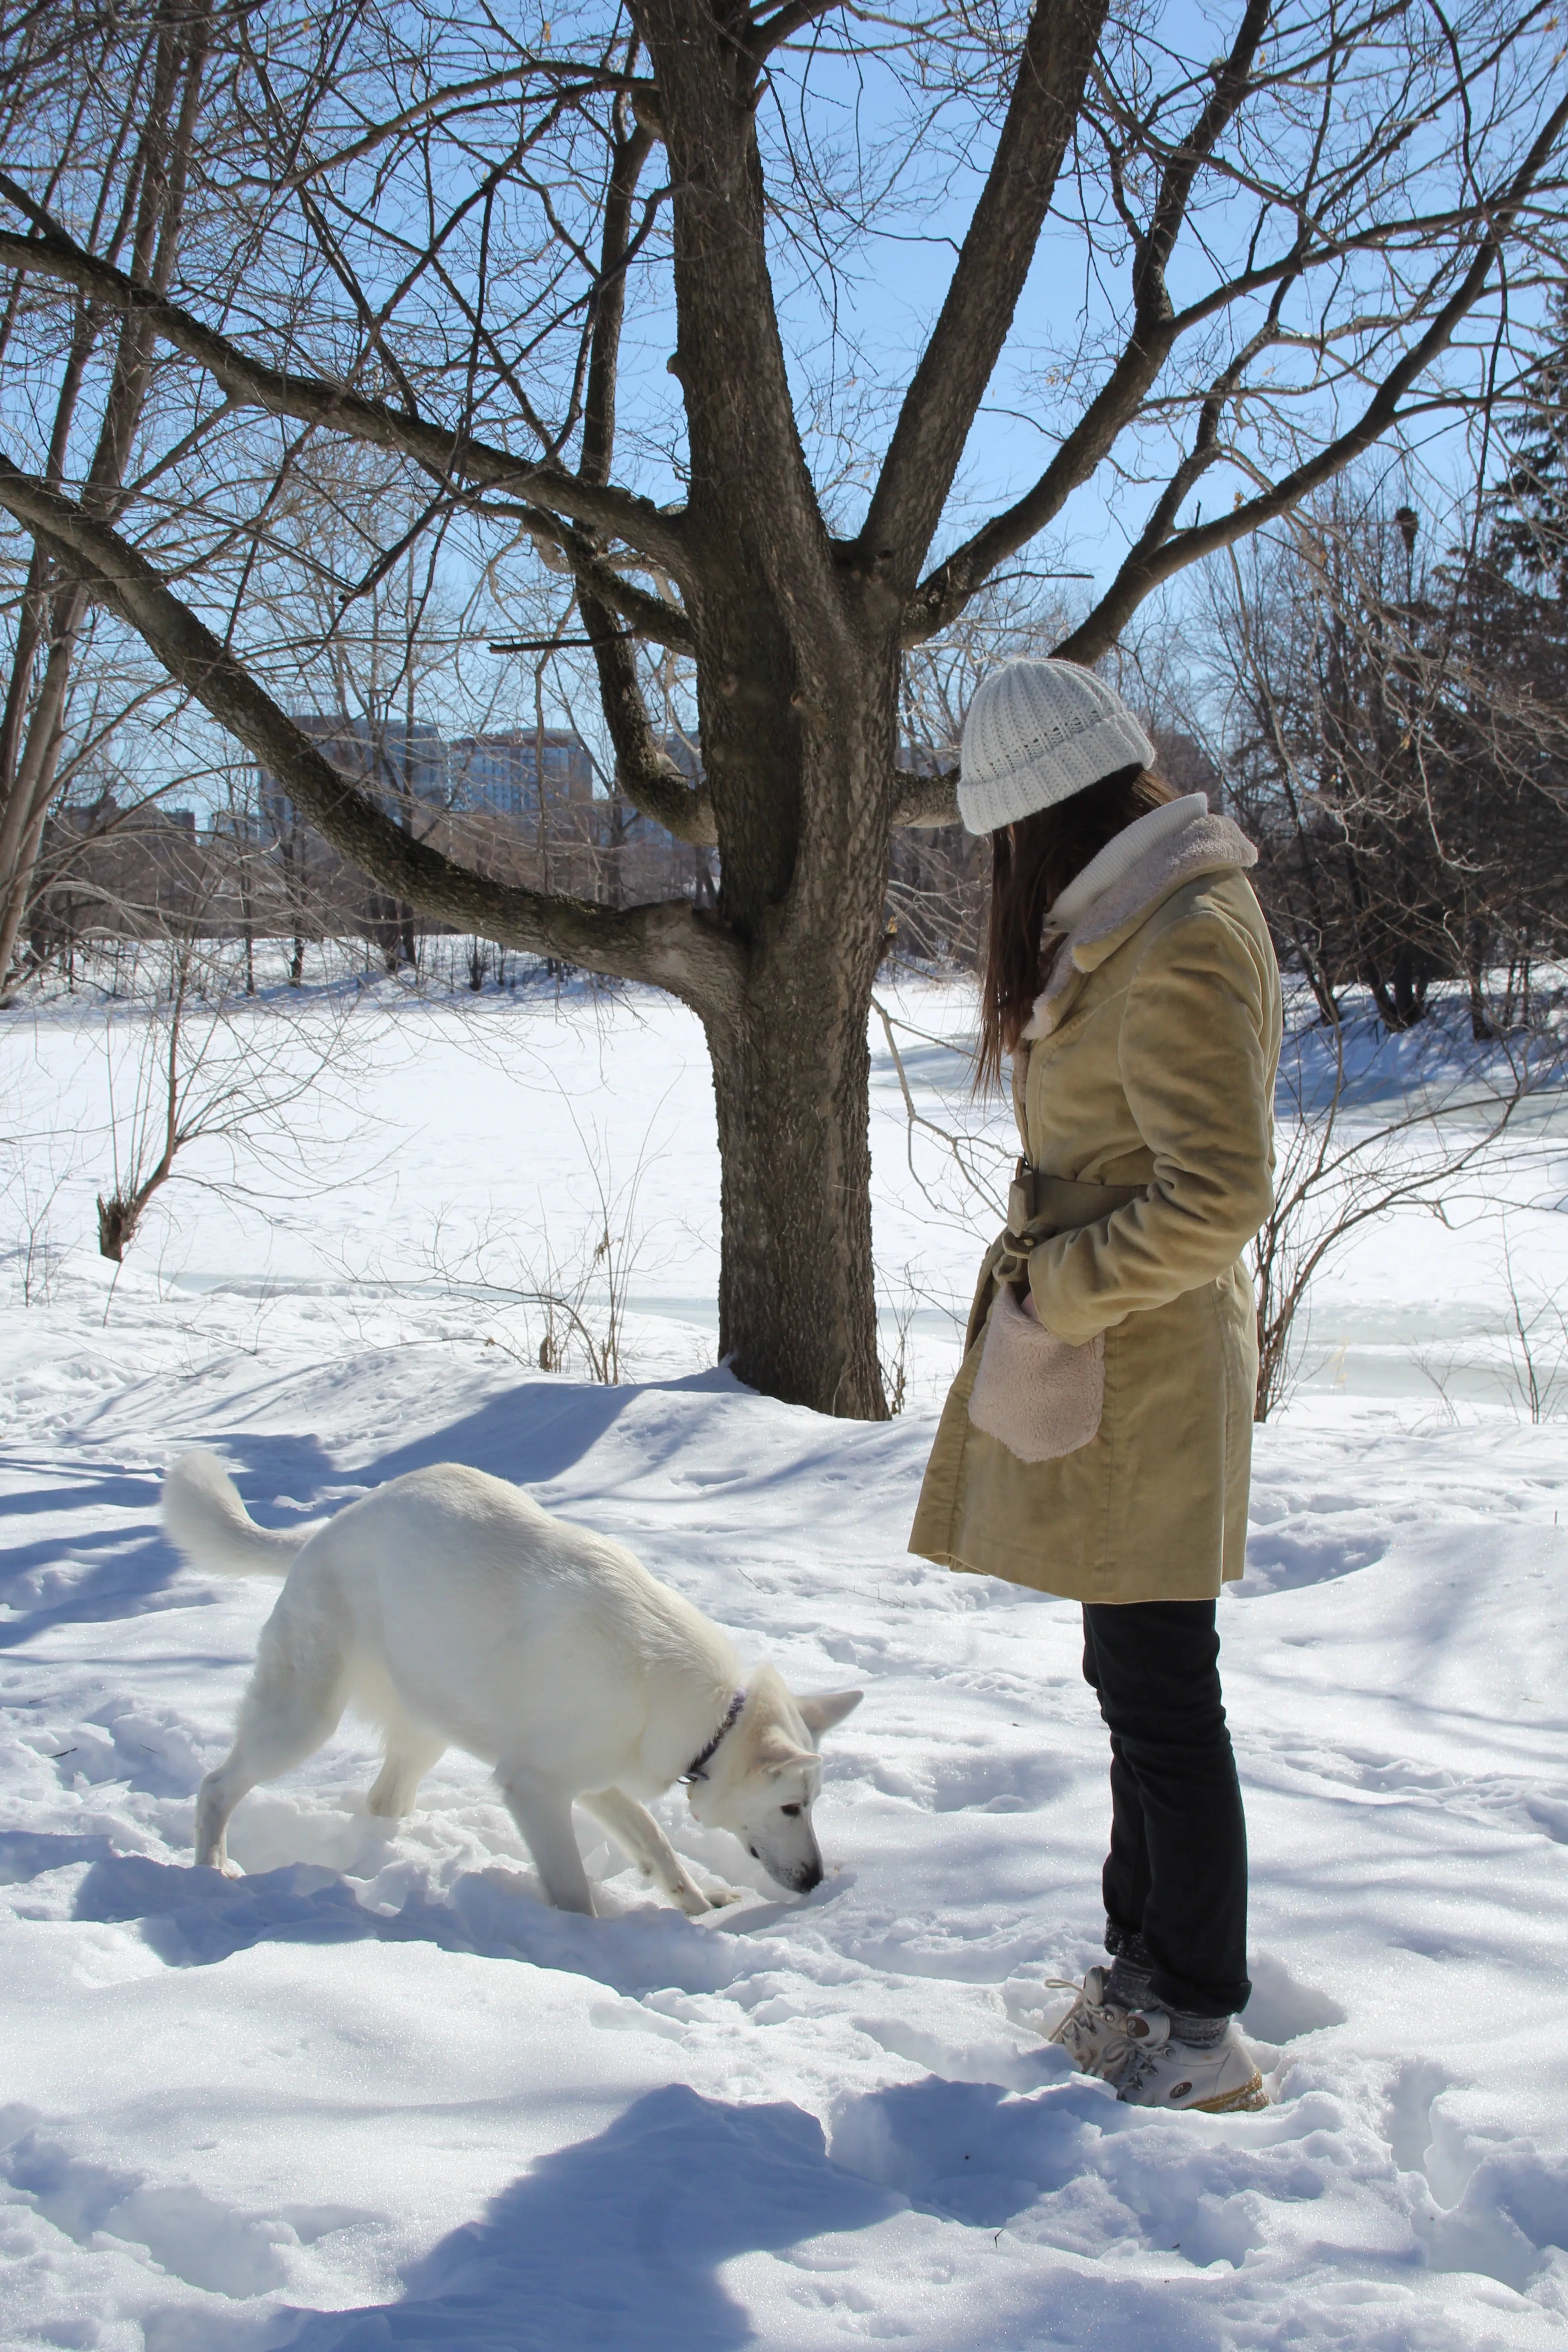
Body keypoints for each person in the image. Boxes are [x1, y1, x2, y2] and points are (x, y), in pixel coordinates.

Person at [909, 657, 1283, 2113]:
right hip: (1119, 1357)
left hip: (1148, 1360)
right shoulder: (1132, 917)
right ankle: (1142, 1973)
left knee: (1164, 1694)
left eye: (1003, 842)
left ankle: (1199, 2025)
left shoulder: (1182, 930)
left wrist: (1055, 1292)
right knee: (1133, 1680)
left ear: (1043, 820)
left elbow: (1215, 1194)